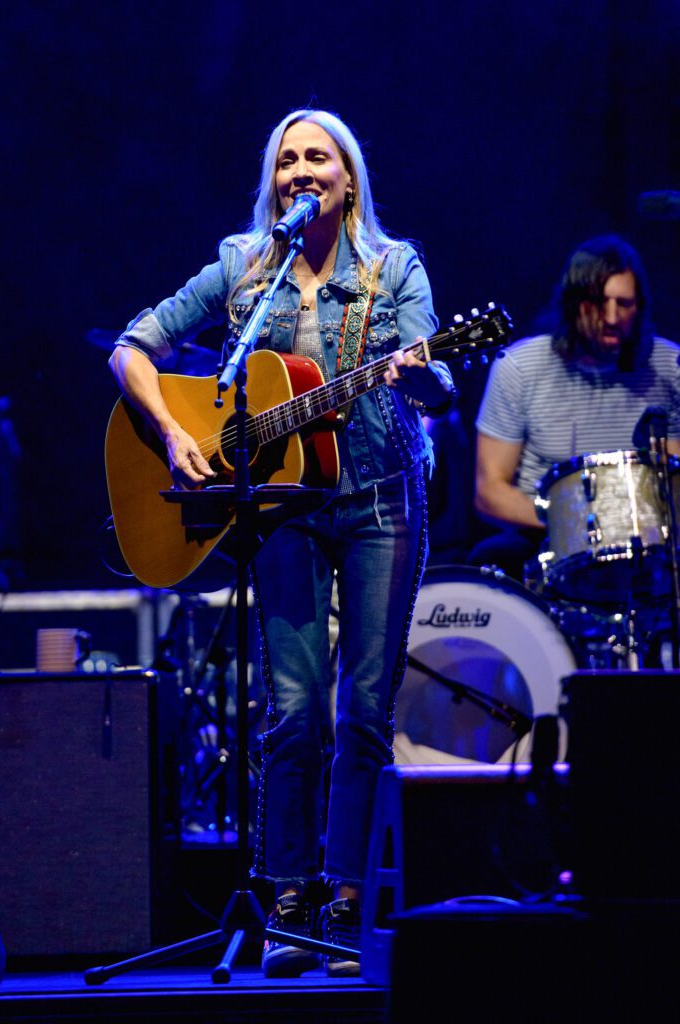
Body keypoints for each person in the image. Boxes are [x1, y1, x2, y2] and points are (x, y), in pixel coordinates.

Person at [109, 109, 454, 977]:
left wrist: (424, 375)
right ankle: (287, 896)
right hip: (279, 505)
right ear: (274, 181)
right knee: (293, 711)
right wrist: (175, 432)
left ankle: (344, 902)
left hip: (379, 499)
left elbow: (440, 384)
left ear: (348, 180)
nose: (301, 169)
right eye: (287, 159)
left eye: (318, 158)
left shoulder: (393, 266)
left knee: (361, 711)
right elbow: (132, 349)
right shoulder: (240, 268)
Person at [472, 233, 680, 582]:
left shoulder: (669, 367)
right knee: (492, 556)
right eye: (598, 302)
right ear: (573, 303)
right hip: (543, 540)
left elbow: (673, 478)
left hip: (645, 544)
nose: (612, 317)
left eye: (624, 304)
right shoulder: (520, 367)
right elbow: (489, 491)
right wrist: (578, 524)